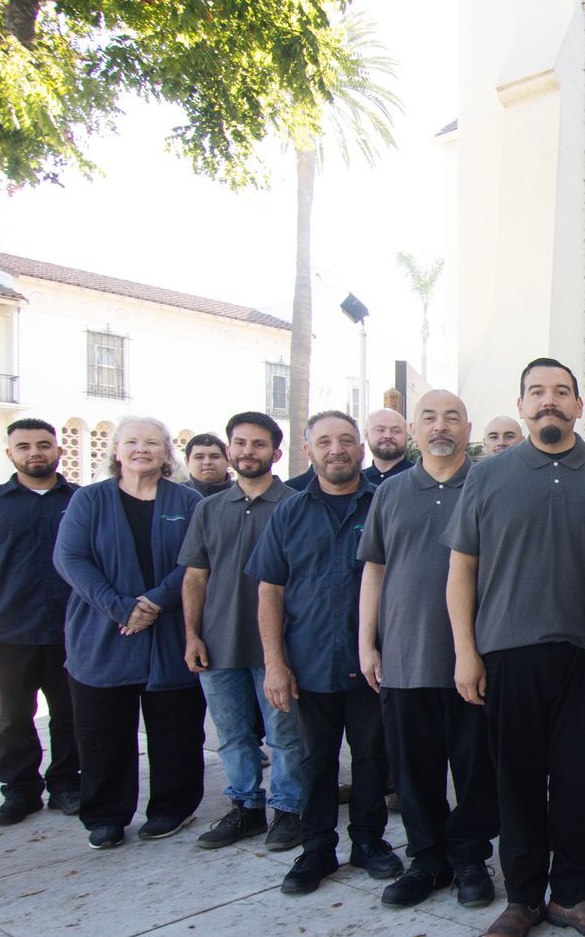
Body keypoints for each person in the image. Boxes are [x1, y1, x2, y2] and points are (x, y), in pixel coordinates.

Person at [448, 359, 585, 937]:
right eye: (537, 392)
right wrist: (465, 652)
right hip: (507, 653)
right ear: (521, 404)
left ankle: (572, 892)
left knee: (578, 781)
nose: (548, 400)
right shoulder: (486, 476)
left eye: (561, 392)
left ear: (579, 405)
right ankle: (522, 897)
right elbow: (462, 569)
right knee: (517, 780)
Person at [249, 410, 401, 894]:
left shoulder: (384, 504)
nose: (337, 449)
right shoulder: (288, 513)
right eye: (325, 442)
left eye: (346, 440)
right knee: (314, 761)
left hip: (373, 663)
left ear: (361, 447)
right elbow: (269, 591)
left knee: (372, 758)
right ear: (308, 450)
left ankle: (369, 842)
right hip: (309, 663)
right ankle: (316, 848)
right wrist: (274, 663)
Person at [361, 389, 499, 909]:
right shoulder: (390, 493)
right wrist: (366, 643)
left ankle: (469, 857)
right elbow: (374, 569)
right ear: (414, 431)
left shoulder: (488, 485)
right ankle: (427, 857)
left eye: (452, 417)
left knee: (475, 768)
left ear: (469, 429)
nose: (441, 426)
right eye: (429, 417)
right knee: (414, 770)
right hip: (405, 656)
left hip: (476, 657)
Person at [51, 417, 207, 849]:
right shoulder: (88, 500)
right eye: (132, 442)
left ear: (166, 452)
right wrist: (121, 607)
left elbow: (197, 561)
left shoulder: (188, 501)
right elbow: (70, 558)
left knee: (176, 730)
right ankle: (105, 815)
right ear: (116, 451)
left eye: (153, 443)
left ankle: (172, 807)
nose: (142, 449)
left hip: (171, 633)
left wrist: (155, 601)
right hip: (103, 634)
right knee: (102, 733)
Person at [179, 412, 307, 851]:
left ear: (276, 451)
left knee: (285, 735)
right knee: (232, 734)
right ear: (230, 449)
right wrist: (192, 634)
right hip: (219, 642)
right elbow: (195, 577)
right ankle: (246, 808)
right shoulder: (208, 509)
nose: (248, 451)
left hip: (279, 646)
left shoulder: (296, 505)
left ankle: (288, 809)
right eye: (240, 443)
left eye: (258, 444)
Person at [0, 418, 81, 825]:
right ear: (10, 454)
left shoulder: (83, 500)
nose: (34, 452)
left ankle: (67, 785)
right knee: (11, 718)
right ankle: (20, 792)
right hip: (8, 632)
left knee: (72, 715)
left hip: (72, 631)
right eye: (23, 446)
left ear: (58, 450)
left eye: (43, 444)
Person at [284, 407, 410, 491]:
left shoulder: (418, 480)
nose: (387, 436)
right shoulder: (292, 504)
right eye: (380, 430)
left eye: (396, 431)